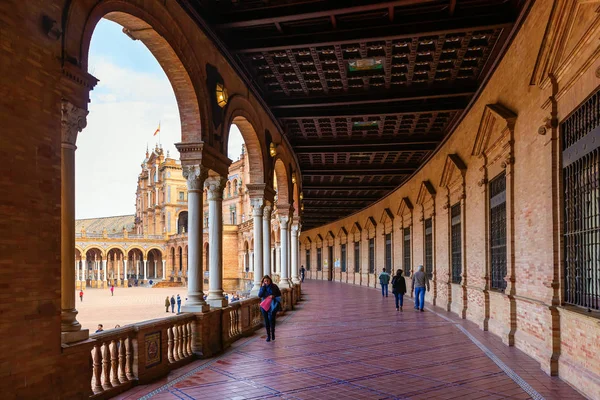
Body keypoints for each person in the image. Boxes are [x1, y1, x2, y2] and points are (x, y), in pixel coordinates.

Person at [258, 275, 282, 342]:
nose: (266, 282)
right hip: (264, 306)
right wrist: (263, 287)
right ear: (263, 282)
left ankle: (273, 333)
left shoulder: (274, 286)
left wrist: (273, 296)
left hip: (272, 305)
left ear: (270, 280)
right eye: (265, 281)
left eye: (267, 280)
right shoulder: (262, 287)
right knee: (266, 321)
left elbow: (279, 294)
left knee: (272, 320)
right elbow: (259, 295)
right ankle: (268, 336)